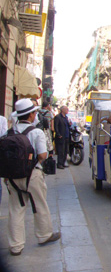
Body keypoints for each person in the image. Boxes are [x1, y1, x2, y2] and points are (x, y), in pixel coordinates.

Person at [5, 99, 60, 256]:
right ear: (30, 115)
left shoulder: (10, 132)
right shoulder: (36, 132)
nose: (36, 114)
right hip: (32, 175)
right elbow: (43, 154)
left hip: (13, 177)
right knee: (39, 205)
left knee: (16, 210)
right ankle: (44, 235)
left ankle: (16, 246)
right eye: (34, 112)